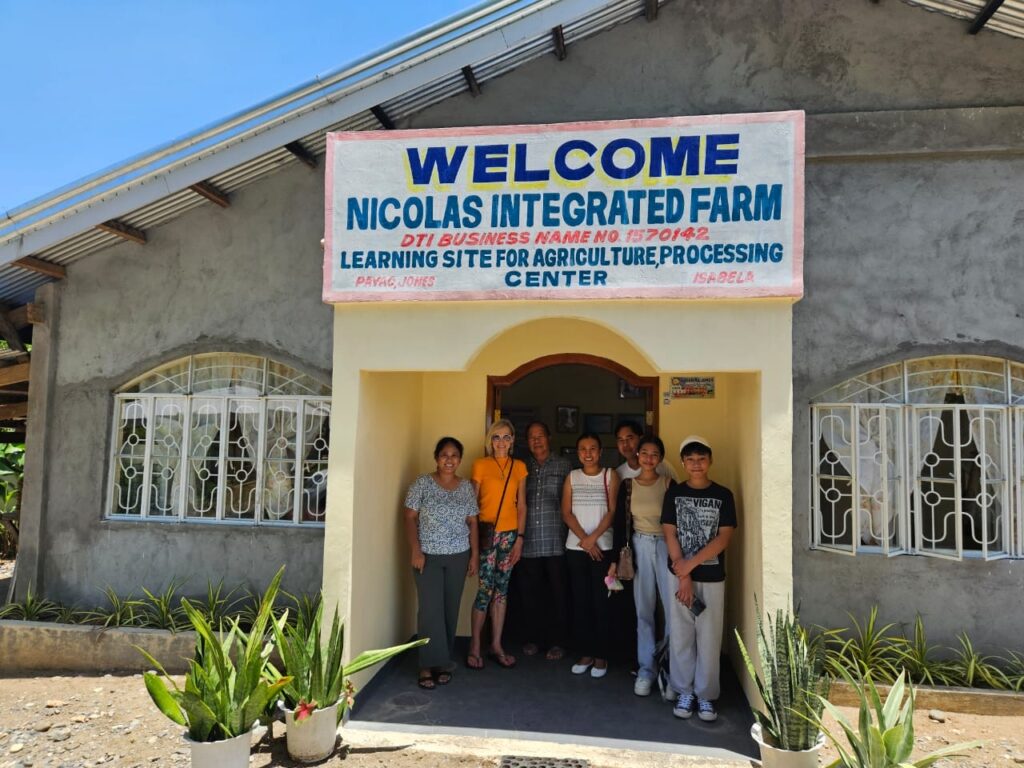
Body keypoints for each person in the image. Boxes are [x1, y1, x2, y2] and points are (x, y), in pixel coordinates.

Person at [661, 435, 737, 723]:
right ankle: (684, 690)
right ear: (682, 463)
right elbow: (670, 532)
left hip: (712, 576)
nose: (696, 464)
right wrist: (683, 576)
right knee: (681, 633)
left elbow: (724, 537)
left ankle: (706, 695)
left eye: (701, 459)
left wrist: (690, 565)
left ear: (710, 461)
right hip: (679, 576)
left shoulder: (723, 495)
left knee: (709, 635)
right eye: (690, 459)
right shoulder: (674, 493)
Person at [403, 436, 479, 689]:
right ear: (436, 458)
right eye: (444, 454)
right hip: (428, 556)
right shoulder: (422, 483)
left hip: (459, 555)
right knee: (429, 610)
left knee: (449, 608)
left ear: (460, 459)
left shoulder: (466, 486)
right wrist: (416, 550)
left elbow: (473, 522)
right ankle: (426, 665)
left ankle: (443, 662)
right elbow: (409, 517)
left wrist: (474, 556)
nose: (449, 459)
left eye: (455, 455)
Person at [610, 434, 675, 697]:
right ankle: (646, 670)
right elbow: (619, 524)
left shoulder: (669, 483)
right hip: (639, 545)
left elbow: (678, 520)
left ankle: (673, 672)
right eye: (644, 453)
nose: (648, 458)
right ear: (638, 456)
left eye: (654, 454)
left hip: (666, 546)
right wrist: (615, 559)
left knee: (673, 612)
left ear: (660, 459)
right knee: (644, 610)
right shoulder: (628, 485)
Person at [468, 418, 528, 670]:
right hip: (486, 534)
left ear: (513, 440)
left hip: (510, 534)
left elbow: (522, 505)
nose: (501, 442)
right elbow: (472, 506)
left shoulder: (520, 467)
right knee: (485, 589)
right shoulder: (480, 465)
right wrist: (472, 545)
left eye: (506, 437)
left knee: (501, 591)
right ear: (490, 441)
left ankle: (496, 644)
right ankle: (474, 646)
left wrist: (520, 539)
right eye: (496, 437)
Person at [562, 432, 620, 678]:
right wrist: (585, 541)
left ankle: (601, 656)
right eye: (583, 449)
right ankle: (585, 653)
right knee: (581, 602)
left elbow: (612, 511)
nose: (588, 453)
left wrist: (593, 538)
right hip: (576, 549)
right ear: (577, 453)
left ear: (600, 451)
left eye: (593, 448)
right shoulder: (572, 477)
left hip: (603, 549)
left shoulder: (610, 475)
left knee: (601, 603)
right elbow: (566, 512)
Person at [519, 421, 572, 660]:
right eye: (531, 437)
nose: (536, 440)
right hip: (528, 540)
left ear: (549, 438)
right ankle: (533, 638)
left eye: (540, 436)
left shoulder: (564, 465)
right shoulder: (522, 468)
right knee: (531, 594)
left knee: (558, 594)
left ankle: (558, 641)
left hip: (555, 540)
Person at [614, 420, 679, 482]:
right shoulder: (619, 473)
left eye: (630, 438)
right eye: (621, 440)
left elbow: (678, 491)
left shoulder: (662, 465)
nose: (625, 444)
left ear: (641, 438)